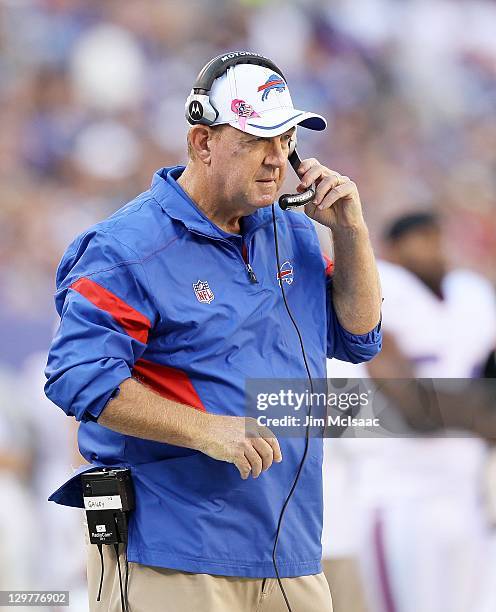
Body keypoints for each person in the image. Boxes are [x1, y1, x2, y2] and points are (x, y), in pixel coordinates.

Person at [45, 52, 382, 612]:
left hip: (290, 547)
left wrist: (351, 230)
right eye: (257, 140)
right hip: (173, 548)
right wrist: (205, 430)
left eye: (286, 139)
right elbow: (78, 378)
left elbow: (357, 334)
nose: (278, 160)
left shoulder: (290, 228)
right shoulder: (126, 247)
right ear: (202, 143)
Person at [323, 211, 496, 612]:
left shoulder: (470, 294)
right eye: (423, 239)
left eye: (438, 237)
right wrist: (480, 418)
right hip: (400, 497)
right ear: (394, 249)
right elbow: (411, 406)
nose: (436, 249)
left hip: (465, 494)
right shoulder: (384, 288)